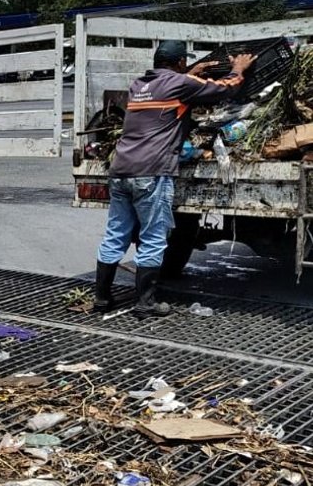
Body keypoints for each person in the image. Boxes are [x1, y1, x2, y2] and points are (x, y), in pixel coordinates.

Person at [93, 41, 255, 316]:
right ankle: (146, 303)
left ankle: (102, 299)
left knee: (115, 235)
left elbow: (170, 86)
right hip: (151, 172)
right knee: (154, 237)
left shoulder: (139, 85)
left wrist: (191, 71)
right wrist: (238, 69)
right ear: (180, 62)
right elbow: (226, 88)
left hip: (120, 170)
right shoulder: (181, 84)